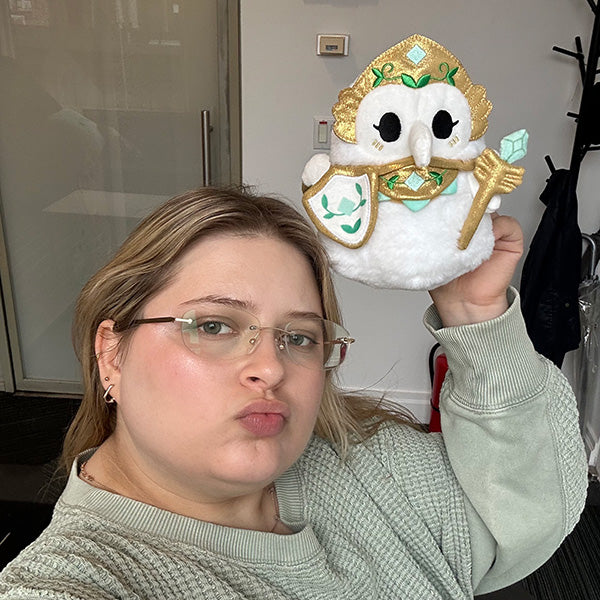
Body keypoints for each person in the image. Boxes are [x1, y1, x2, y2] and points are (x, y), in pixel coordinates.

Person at [0, 186, 587, 599]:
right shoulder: (78, 579)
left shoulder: (367, 465)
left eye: (299, 336)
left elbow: (528, 515)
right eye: (214, 326)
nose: (270, 367)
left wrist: (474, 315)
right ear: (112, 354)